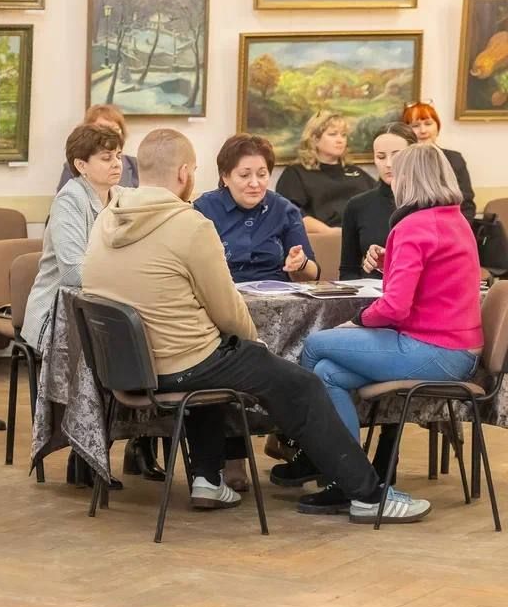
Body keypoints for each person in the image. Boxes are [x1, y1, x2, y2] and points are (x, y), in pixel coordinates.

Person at [81, 128, 430, 523]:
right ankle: (369, 496)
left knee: (216, 358)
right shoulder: (189, 225)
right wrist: (256, 349)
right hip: (179, 363)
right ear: (183, 173)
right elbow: (229, 314)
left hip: (124, 368)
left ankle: (208, 479)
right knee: (300, 385)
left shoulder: (107, 218)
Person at [295, 146, 482, 512]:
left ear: (408, 179)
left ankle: (313, 455)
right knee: (327, 373)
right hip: (457, 350)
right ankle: (347, 479)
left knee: (316, 344)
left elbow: (395, 307)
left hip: (435, 349)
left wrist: (357, 321)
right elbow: (434, 283)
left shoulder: (412, 226)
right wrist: (392, 264)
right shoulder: (454, 219)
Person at [27, 123, 163, 483]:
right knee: (106, 353)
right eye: (106, 158)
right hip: (58, 313)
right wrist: (128, 272)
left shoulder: (123, 196)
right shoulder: (69, 200)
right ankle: (84, 455)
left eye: (118, 155)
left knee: (153, 343)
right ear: (81, 165)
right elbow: (73, 272)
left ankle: (141, 444)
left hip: (109, 302)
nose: (117, 163)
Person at [194, 134, 320, 283]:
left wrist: (301, 263)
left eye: (262, 175)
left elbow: (314, 275)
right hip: (224, 293)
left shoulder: (284, 210)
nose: (254, 184)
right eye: (244, 175)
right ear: (225, 177)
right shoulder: (203, 210)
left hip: (277, 293)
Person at [275, 111, 374, 232]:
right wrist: (327, 232)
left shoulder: (356, 172)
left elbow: (381, 201)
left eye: (343, 135)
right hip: (324, 237)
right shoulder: (296, 173)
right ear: (315, 139)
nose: (340, 140)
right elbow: (289, 212)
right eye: (333, 134)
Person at [340, 123, 416, 280]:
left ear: (413, 157)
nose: (388, 164)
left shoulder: (430, 204)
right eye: (381, 157)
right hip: (370, 292)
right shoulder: (357, 206)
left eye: (396, 155)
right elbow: (348, 271)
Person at [402, 101, 476, 221]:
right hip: (412, 227)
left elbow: (467, 205)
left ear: (437, 127)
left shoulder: (454, 159)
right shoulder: (400, 163)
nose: (423, 130)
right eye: (415, 126)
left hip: (452, 227)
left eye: (428, 123)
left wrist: (456, 229)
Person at [55, 104, 139, 191]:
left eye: (114, 129)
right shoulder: (73, 167)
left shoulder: (136, 165)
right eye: (102, 129)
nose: (109, 135)